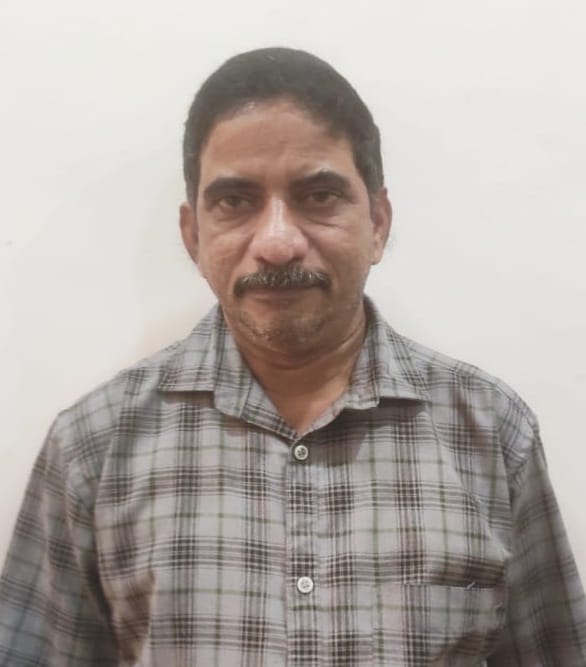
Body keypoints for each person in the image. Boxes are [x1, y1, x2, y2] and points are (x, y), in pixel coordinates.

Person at [0, 47, 585, 667]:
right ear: (193, 236)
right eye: (235, 201)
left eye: (319, 195)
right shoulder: (92, 448)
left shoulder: (492, 433)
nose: (277, 243)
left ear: (377, 222)